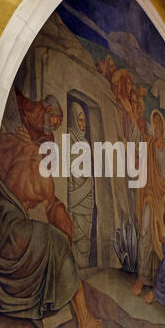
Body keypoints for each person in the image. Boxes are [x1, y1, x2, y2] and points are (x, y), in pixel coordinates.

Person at [0, 91, 103, 328]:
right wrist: (67, 242)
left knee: (11, 262)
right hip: (16, 231)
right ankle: (83, 318)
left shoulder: (10, 143)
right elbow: (58, 216)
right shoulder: (43, 176)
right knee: (60, 245)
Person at [132, 94, 165, 295]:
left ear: (163, 128)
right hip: (148, 194)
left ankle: (157, 286)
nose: (157, 127)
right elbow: (136, 143)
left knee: (160, 237)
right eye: (154, 123)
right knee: (145, 233)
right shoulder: (147, 143)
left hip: (161, 197)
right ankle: (142, 278)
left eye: (160, 124)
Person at [68, 102, 94, 269]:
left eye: (84, 121)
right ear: (73, 120)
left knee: (86, 240)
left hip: (87, 199)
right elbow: (72, 172)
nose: (83, 125)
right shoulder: (69, 139)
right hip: (76, 198)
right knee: (76, 238)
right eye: (80, 120)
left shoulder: (85, 143)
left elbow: (87, 171)